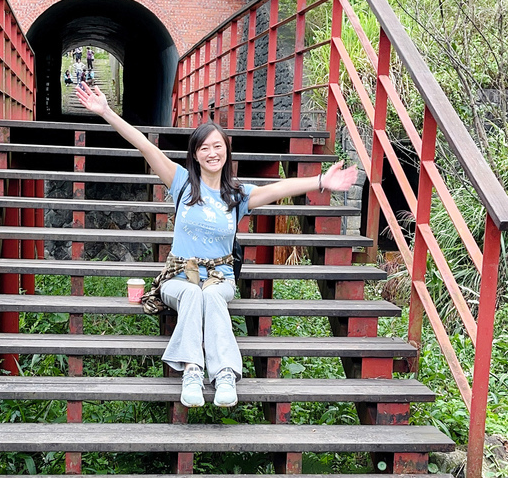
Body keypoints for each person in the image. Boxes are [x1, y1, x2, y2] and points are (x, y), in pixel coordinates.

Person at [74, 81, 358, 409]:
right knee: (194, 291)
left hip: (220, 276)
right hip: (180, 275)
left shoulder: (237, 195)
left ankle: (223, 375)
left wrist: (321, 181)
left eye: (218, 146)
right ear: (195, 154)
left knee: (208, 292)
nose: (212, 153)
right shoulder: (181, 183)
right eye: (205, 147)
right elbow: (145, 146)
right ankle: (193, 371)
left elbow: (281, 187)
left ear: (226, 152)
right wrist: (107, 112)